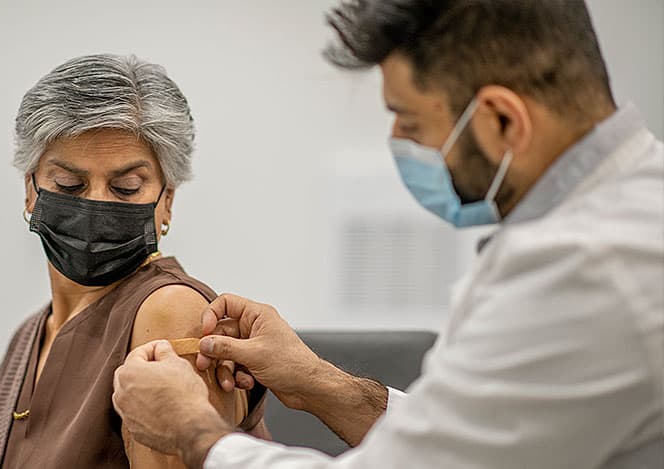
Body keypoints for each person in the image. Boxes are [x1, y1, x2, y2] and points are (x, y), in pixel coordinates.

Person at [112, 1, 664, 468]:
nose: (397, 140)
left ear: (501, 120)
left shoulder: (590, 267)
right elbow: (470, 442)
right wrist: (321, 383)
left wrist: (196, 434)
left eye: (411, 122)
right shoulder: (627, 214)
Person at [0, 54, 267, 469]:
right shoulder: (27, 338)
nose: (96, 204)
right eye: (69, 184)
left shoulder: (169, 313)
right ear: (30, 190)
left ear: (166, 201)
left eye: (126, 187)